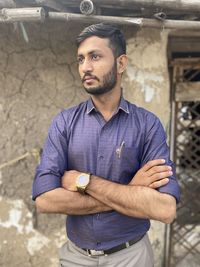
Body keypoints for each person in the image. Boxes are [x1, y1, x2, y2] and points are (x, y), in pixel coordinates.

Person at [32, 23, 180, 267]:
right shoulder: (65, 123)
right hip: (75, 257)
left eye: (95, 56)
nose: (85, 67)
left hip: (131, 256)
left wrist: (84, 182)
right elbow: (45, 201)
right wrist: (131, 190)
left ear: (121, 64)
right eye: (81, 59)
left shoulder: (148, 125)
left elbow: (165, 209)